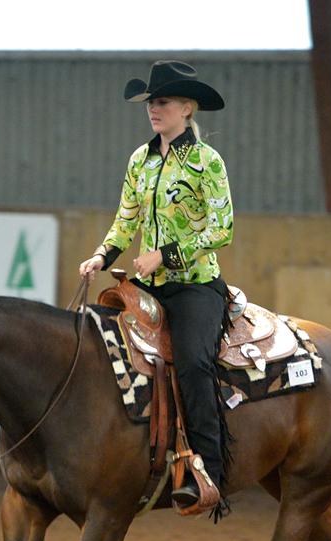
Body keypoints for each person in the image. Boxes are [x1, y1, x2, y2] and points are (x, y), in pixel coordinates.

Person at [79, 60, 234, 513]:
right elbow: (124, 221)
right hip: (148, 287)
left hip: (194, 287)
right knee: (103, 350)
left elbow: (222, 228)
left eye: (162, 101)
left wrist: (166, 254)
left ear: (187, 108)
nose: (154, 109)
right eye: (151, 102)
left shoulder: (207, 162)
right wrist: (102, 256)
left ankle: (210, 472)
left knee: (193, 363)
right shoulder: (140, 160)